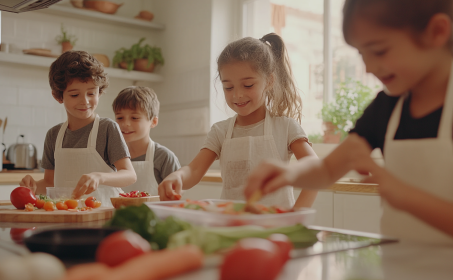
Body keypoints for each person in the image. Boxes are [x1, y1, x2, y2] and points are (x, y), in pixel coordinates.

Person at [244, 0, 453, 248]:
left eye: (379, 51)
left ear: (437, 32)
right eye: (361, 53)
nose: (368, 68)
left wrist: (405, 197)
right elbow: (326, 171)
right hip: (399, 268)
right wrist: (288, 174)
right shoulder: (387, 108)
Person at [158, 33, 318, 208]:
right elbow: (194, 170)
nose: (237, 95)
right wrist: (178, 176)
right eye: (228, 87)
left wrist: (294, 215)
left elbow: (315, 169)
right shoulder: (220, 131)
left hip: (275, 228)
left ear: (269, 81)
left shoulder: (286, 127)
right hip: (231, 224)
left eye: (248, 85)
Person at [20, 51, 136, 206]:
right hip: (65, 220)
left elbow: (129, 175)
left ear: (99, 92)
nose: (85, 101)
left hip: (104, 218)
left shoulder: (107, 128)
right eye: (75, 95)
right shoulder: (53, 135)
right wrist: (32, 186)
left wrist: (100, 177)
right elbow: (49, 182)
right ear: (58, 96)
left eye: (91, 93)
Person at [113, 86, 181, 195]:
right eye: (120, 118)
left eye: (134, 118)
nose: (125, 123)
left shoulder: (164, 157)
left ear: (153, 122)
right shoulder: (111, 154)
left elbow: (175, 199)